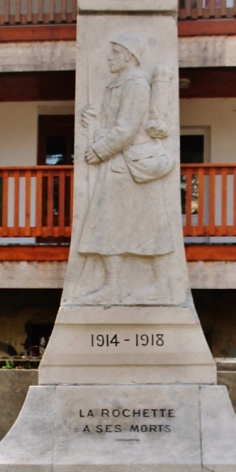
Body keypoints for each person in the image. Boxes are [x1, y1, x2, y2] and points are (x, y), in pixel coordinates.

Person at [76, 33, 176, 304]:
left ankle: (162, 286)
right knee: (108, 227)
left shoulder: (136, 85)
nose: (109, 57)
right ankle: (113, 286)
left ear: (129, 56)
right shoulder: (117, 84)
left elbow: (126, 130)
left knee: (148, 227)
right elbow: (114, 126)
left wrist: (98, 150)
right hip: (118, 166)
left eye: (116, 52)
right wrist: (93, 123)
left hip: (132, 166)